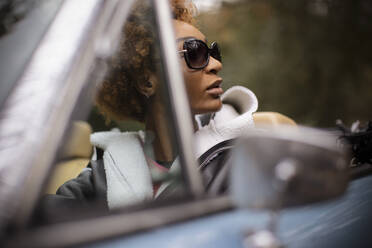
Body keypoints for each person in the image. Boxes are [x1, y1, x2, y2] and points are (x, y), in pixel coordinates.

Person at [47, 0, 291, 210]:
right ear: (146, 82)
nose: (216, 64)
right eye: (195, 52)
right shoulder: (103, 173)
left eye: (213, 52)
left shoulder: (246, 153)